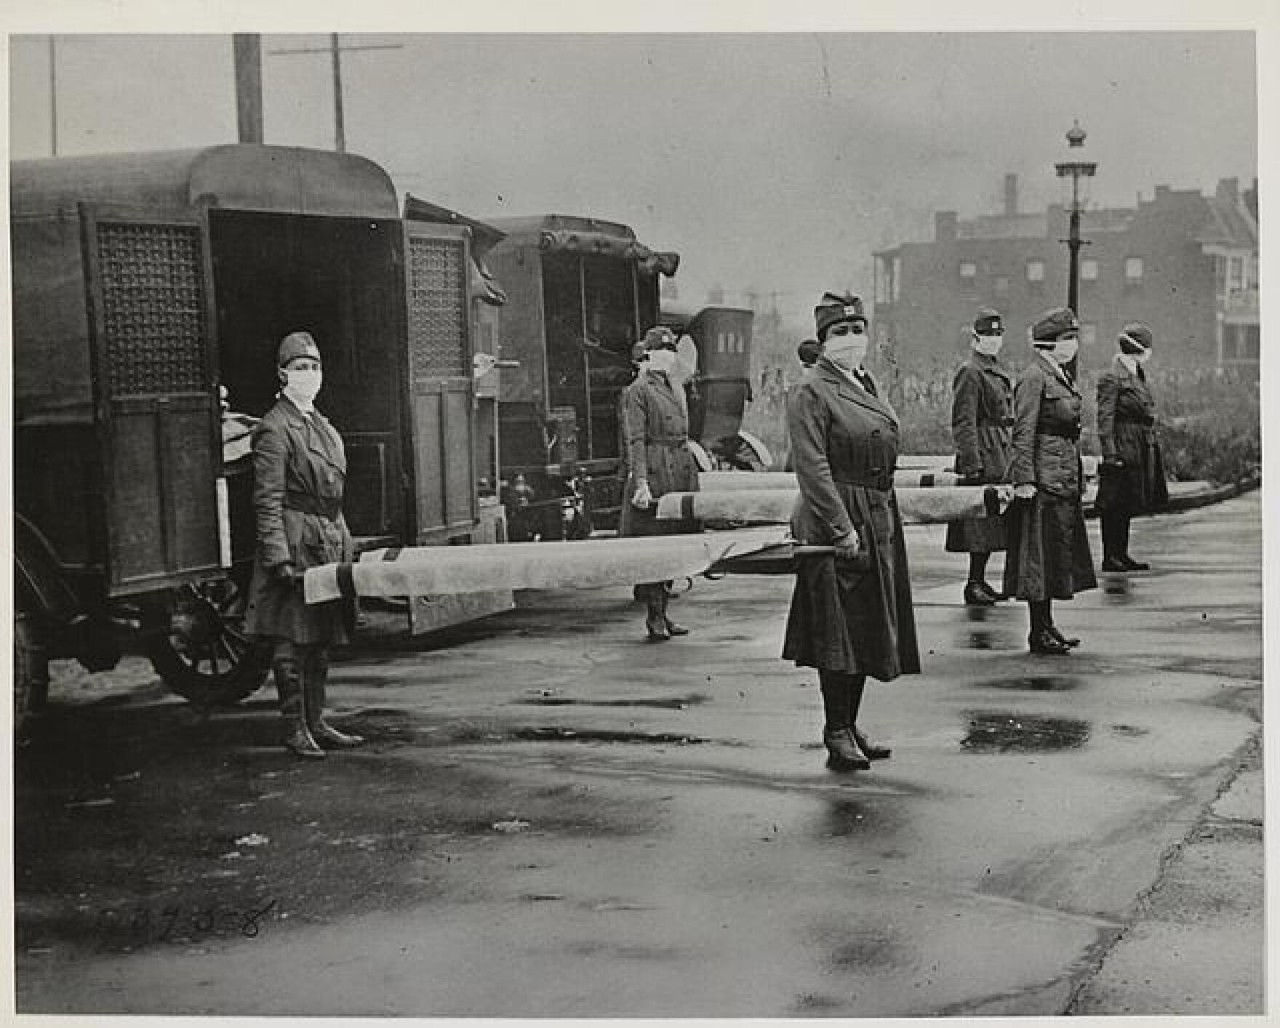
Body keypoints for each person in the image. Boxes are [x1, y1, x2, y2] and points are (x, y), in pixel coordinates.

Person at [783, 291, 920, 772]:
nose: (853, 339)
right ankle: (835, 728)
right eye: (841, 332)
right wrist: (841, 528)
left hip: (876, 510)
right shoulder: (812, 391)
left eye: (858, 329)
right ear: (822, 340)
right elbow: (812, 467)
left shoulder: (863, 383)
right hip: (836, 515)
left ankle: (850, 722)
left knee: (864, 625)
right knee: (836, 632)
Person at [244, 331, 363, 758]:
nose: (308, 375)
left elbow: (333, 495)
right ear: (282, 374)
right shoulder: (275, 428)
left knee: (321, 637)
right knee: (290, 640)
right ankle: (294, 728)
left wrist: (345, 544)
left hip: (325, 539)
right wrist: (277, 556)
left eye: (313, 367)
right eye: (299, 368)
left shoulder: (323, 427)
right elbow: (268, 499)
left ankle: (317, 721)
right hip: (295, 541)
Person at [1002, 307, 1097, 655]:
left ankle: (1047, 626)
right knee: (1038, 558)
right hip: (1042, 478)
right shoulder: (1034, 377)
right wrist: (1024, 479)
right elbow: (1022, 431)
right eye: (1067, 339)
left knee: (1054, 555)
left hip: (1061, 475)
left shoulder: (1057, 374)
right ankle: (1037, 630)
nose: (1072, 345)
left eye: (1073, 338)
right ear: (1049, 343)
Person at [620, 325, 701, 641]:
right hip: (656, 470)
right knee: (656, 547)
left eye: (672, 351)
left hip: (679, 469)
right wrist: (640, 481)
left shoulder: (674, 386)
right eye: (662, 351)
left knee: (675, 546)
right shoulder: (638, 390)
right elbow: (636, 440)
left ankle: (664, 614)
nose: (668, 357)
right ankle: (654, 617)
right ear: (649, 355)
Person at [946, 308, 1014, 605]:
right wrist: (971, 461)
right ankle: (974, 583)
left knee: (991, 523)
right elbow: (964, 420)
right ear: (975, 338)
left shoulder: (992, 369)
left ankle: (981, 581)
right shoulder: (971, 372)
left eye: (998, 335)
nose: (994, 340)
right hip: (984, 450)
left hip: (1000, 448)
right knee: (979, 523)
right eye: (988, 334)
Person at [1095, 322, 1168, 571]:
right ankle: (1110, 555)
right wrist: (1110, 453)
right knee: (1114, 502)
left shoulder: (1135, 374)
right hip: (1122, 443)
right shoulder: (1112, 377)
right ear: (1139, 350)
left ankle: (1121, 553)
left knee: (1126, 502)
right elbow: (1105, 419)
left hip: (1138, 444)